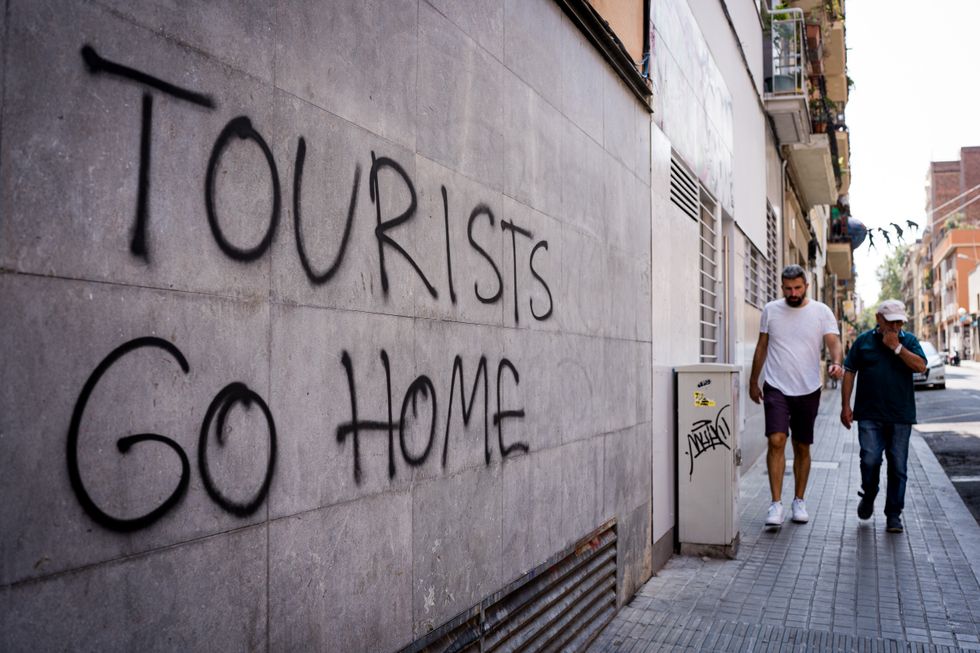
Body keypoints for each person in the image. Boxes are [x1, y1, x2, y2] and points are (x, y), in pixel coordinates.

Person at [750, 265, 844, 527]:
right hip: (776, 386)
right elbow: (761, 346)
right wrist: (753, 381)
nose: (793, 293)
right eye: (788, 288)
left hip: (808, 388)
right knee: (776, 440)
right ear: (782, 287)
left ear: (806, 286)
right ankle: (776, 504)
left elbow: (834, 342)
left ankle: (799, 500)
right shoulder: (771, 310)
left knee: (802, 446)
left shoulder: (821, 312)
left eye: (797, 288)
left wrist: (837, 362)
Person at [840, 299, 927, 534]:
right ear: (879, 319)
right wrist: (845, 405)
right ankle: (869, 494)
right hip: (869, 415)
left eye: (900, 321)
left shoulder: (908, 341)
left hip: (900, 416)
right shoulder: (863, 342)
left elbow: (921, 366)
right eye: (891, 321)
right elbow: (849, 371)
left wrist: (897, 348)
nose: (896, 326)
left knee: (898, 467)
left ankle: (893, 515)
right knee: (869, 460)